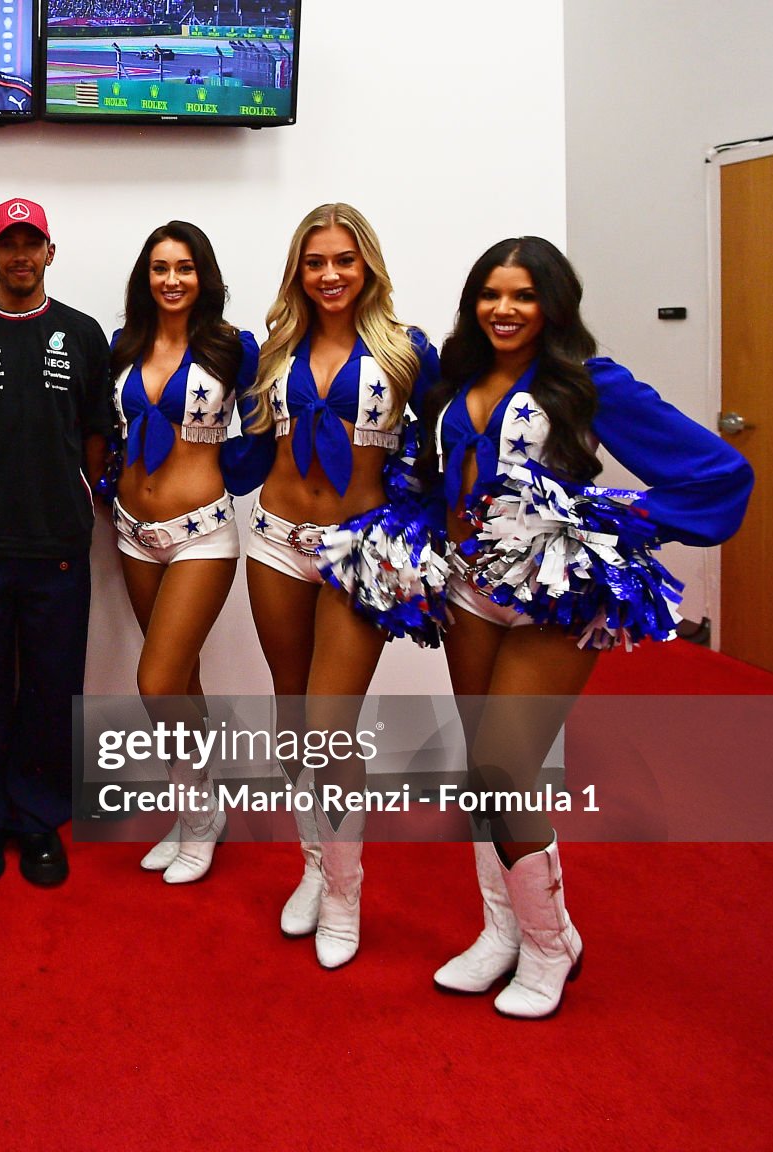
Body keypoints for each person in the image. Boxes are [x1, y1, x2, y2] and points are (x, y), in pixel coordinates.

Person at [426, 236, 751, 1017]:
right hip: (469, 592)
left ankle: (551, 942)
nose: (505, 309)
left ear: (553, 306)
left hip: (553, 601)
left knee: (507, 765)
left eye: (524, 296)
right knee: (486, 767)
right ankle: (501, 932)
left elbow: (717, 474)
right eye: (492, 294)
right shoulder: (456, 377)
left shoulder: (588, 383)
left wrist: (609, 519)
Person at [224, 203, 442, 969]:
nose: (329, 274)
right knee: (292, 716)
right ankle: (315, 867)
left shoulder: (409, 351)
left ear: (368, 266)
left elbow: (449, 444)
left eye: (344, 260)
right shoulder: (275, 349)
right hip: (278, 541)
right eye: (315, 262)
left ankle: (347, 894)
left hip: (362, 553)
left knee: (330, 725)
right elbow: (250, 455)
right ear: (298, 272)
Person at [0, 198, 109, 886]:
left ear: (50, 254)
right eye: (9, 244)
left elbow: (94, 429)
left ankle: (37, 821)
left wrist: (78, 490)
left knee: (51, 691)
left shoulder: (82, 333)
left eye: (32, 244)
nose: (21, 256)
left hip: (59, 546)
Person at [106, 221, 258, 886]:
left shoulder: (233, 348)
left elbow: (262, 430)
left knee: (156, 681)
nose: (173, 279)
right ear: (147, 277)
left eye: (186, 267)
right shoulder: (125, 345)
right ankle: (198, 811)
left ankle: (199, 820)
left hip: (202, 531)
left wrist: (235, 477)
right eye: (161, 267)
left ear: (205, 277)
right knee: (182, 682)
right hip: (131, 531)